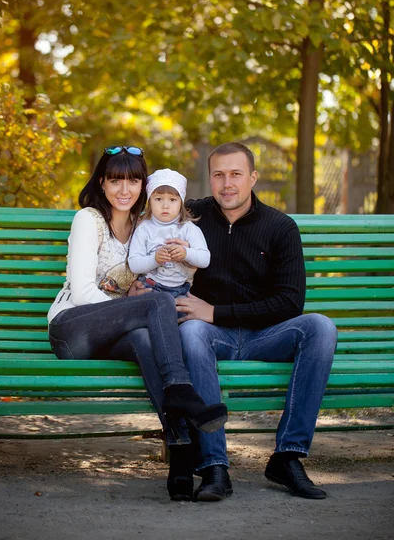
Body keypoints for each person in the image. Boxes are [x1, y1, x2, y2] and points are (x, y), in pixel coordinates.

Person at [47, 145, 228, 479]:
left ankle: (181, 458)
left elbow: (178, 208)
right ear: (102, 182)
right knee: (158, 301)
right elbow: (84, 290)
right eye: (116, 181)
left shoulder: (143, 225)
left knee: (145, 340)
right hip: (71, 328)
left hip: (112, 333)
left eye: (133, 181)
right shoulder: (89, 219)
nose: (124, 190)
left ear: (144, 187)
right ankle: (181, 388)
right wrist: (130, 305)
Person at [172, 142, 337, 502]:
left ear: (253, 178)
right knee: (192, 330)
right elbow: (147, 227)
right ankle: (214, 466)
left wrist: (218, 312)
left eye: (235, 174)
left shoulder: (280, 227)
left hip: (267, 336)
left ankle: (287, 456)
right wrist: (137, 280)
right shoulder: (191, 217)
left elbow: (290, 302)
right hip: (213, 335)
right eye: (219, 175)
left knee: (321, 327)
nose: (226, 183)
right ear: (210, 178)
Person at [128, 168, 210, 310]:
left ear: (181, 202)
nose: (165, 205)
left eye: (172, 200)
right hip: (150, 288)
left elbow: (204, 259)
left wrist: (186, 253)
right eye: (158, 199)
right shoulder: (144, 229)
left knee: (182, 322)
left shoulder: (188, 229)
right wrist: (155, 259)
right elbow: (134, 263)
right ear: (150, 201)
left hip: (180, 292)